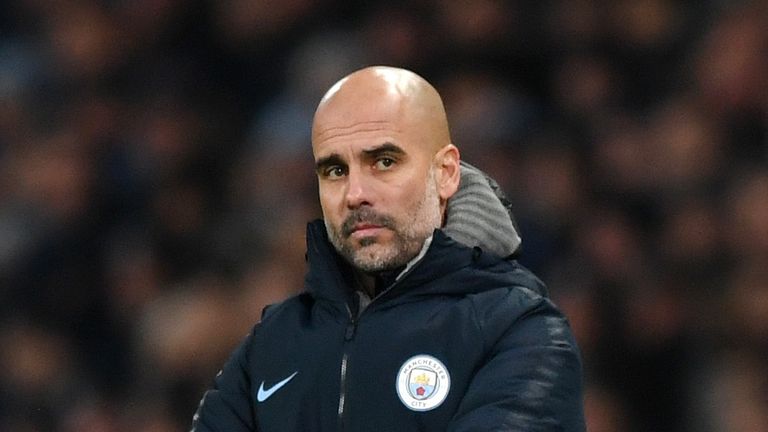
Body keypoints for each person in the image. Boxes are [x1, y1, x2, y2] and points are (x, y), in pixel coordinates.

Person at [191, 66, 585, 431]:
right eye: (335, 171)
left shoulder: (520, 331)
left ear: (445, 173)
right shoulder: (272, 343)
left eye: (383, 161)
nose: (355, 194)